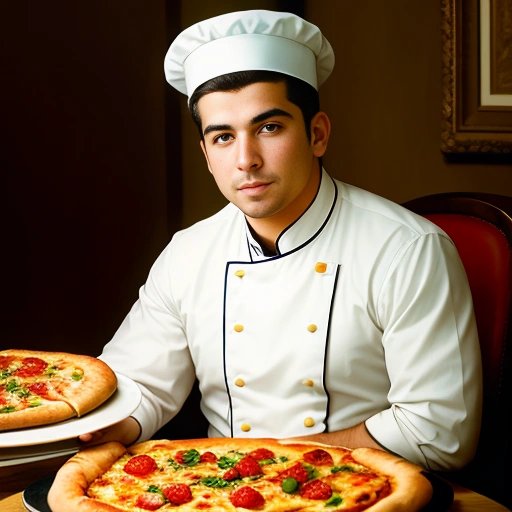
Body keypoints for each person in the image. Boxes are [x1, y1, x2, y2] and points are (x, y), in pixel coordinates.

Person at [80, 9, 482, 472]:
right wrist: (95, 425)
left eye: (269, 128)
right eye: (224, 137)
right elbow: (140, 387)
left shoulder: (406, 249)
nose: (246, 159)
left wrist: (278, 464)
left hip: (358, 492)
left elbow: (438, 432)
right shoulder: (188, 252)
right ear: (206, 155)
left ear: (317, 134)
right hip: (219, 497)